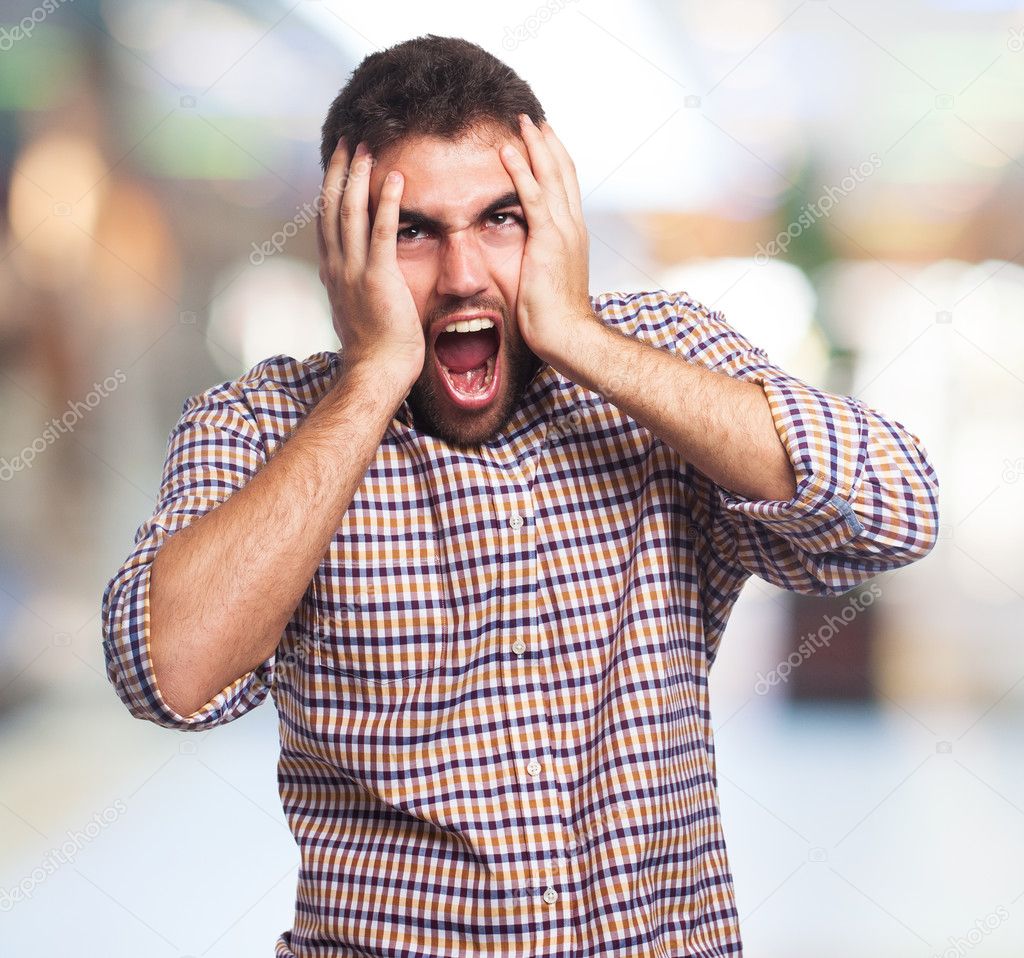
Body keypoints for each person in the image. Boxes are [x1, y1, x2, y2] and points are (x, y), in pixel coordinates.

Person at [101, 34, 939, 958]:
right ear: (342, 244)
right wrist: (376, 373)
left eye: (501, 219)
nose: (463, 275)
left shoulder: (659, 359)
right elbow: (169, 673)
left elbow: (896, 510)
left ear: (556, 220)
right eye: (410, 231)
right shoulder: (260, 423)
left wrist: (580, 336)